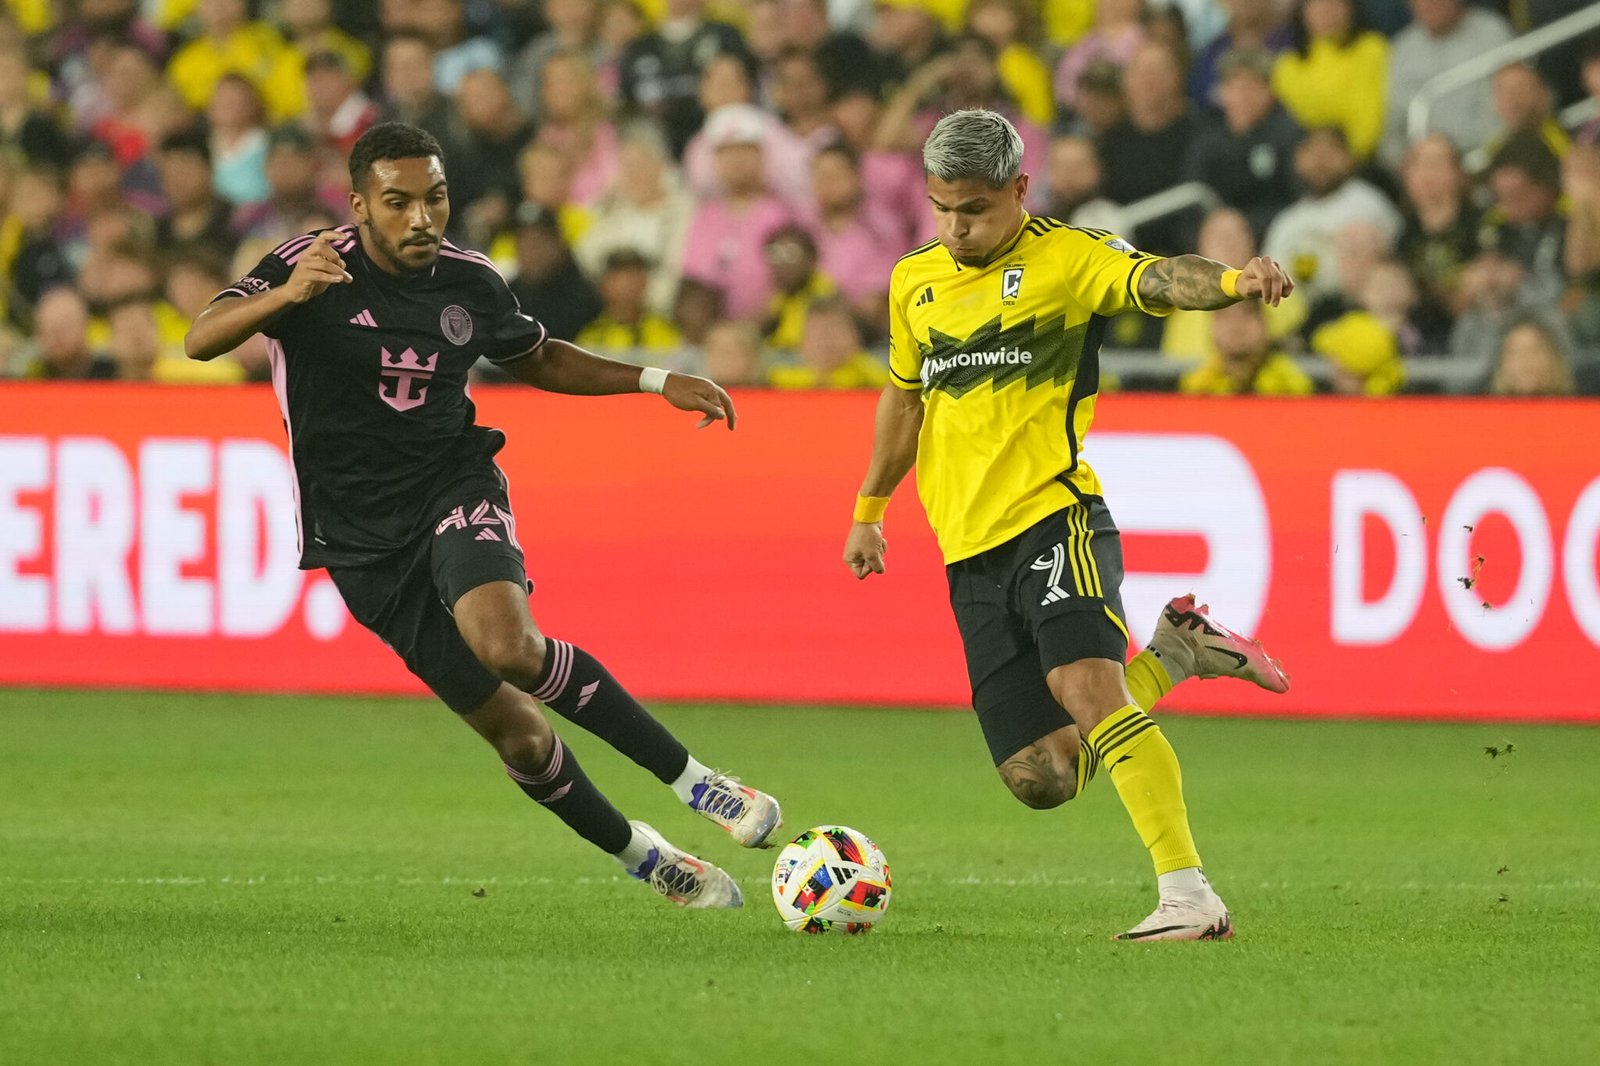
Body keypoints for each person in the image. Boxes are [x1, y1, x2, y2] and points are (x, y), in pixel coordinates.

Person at [183, 123, 782, 909]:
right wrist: (285, 298)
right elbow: (199, 339)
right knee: (522, 737)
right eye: (397, 203)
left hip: (451, 483)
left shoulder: (468, 279)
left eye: (434, 198)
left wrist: (655, 379)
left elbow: (535, 356)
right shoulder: (306, 267)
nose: (421, 218)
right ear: (360, 206)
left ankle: (700, 784)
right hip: (358, 540)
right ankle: (645, 856)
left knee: (511, 646)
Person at [842, 108, 1292, 942]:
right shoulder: (916, 282)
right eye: (941, 208)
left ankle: (1189, 895)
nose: (955, 227)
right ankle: (1177, 652)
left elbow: (1161, 279)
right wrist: (870, 509)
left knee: (1087, 687)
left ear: (1018, 189)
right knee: (1042, 774)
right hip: (967, 551)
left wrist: (1232, 282)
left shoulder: (1068, 258)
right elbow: (904, 396)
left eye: (972, 209)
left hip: (1057, 517)